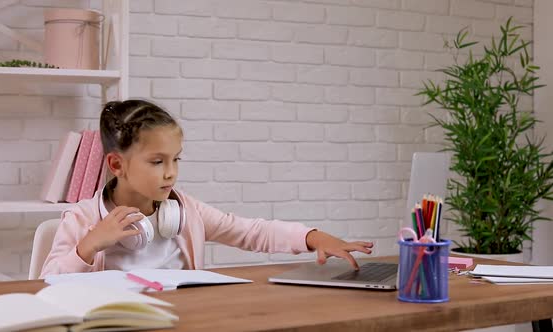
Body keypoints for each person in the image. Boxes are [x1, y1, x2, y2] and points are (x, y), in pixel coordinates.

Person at [40, 100, 374, 277]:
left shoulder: (186, 212)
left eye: (176, 160)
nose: (171, 173)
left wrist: (313, 237)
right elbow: (45, 283)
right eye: (157, 162)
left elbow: (251, 232)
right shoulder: (82, 219)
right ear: (117, 165)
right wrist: (88, 246)